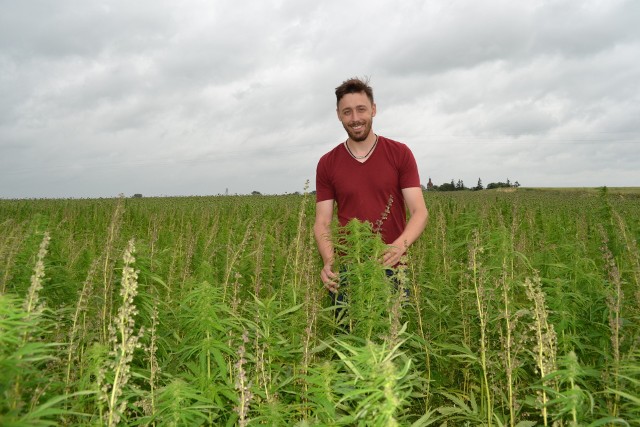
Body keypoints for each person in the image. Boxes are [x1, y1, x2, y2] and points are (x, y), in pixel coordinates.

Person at [313, 77, 429, 295]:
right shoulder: (327, 163)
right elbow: (322, 222)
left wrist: (398, 247)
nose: (355, 118)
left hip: (391, 268)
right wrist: (330, 262)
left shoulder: (400, 153)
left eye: (361, 109)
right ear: (338, 114)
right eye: (347, 112)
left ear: (373, 110)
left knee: (394, 328)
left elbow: (419, 211)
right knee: (347, 329)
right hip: (347, 271)